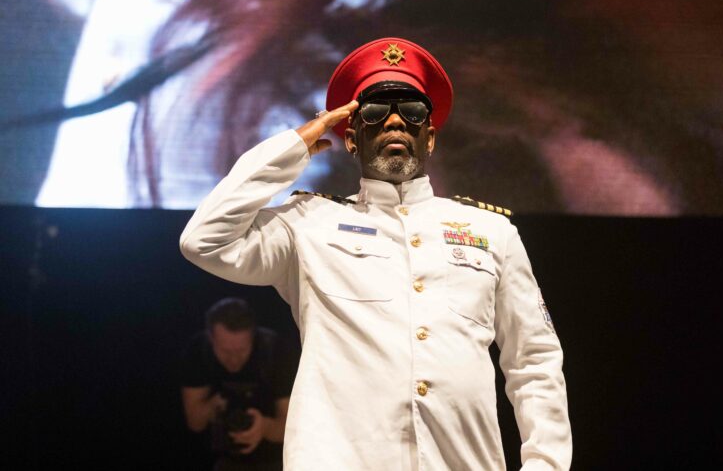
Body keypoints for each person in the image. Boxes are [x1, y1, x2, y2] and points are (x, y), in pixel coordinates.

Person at [180, 37, 571, 469]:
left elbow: (534, 359)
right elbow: (205, 241)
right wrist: (292, 148)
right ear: (351, 138)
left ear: (430, 138)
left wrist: (546, 464)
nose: (395, 121)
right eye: (375, 112)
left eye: (413, 111)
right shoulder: (308, 223)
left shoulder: (490, 231)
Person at [181, 297, 296, 471]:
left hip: (278, 459)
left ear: (253, 337)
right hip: (222, 458)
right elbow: (195, 423)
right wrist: (214, 405)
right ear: (211, 338)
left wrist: (264, 427)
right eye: (225, 351)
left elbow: (294, 428)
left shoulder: (275, 350)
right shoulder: (200, 351)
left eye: (241, 350)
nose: (234, 360)